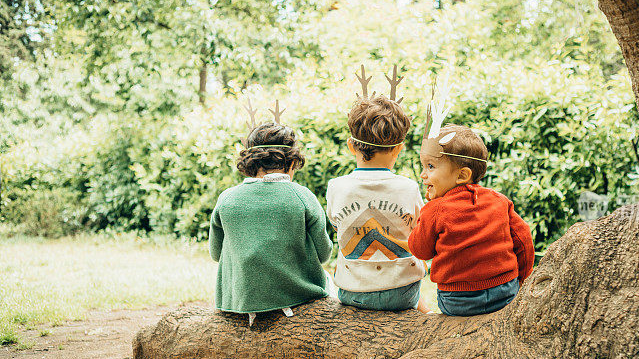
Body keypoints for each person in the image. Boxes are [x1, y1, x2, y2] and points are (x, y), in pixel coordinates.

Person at [210, 119, 333, 326]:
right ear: (292, 162)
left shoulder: (226, 198)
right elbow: (324, 254)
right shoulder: (302, 196)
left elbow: (215, 254)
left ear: (250, 162)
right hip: (296, 298)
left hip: (237, 301)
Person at [408, 124, 534, 316]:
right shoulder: (499, 200)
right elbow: (523, 240)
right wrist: (520, 279)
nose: (423, 174)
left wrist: (422, 219)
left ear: (462, 175)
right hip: (506, 292)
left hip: (458, 300)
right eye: (423, 166)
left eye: (430, 166)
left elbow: (420, 250)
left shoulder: (434, 209)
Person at [326, 94, 430, 312]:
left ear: (351, 146)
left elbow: (337, 225)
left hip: (352, 293)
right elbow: (419, 229)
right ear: (398, 149)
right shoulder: (408, 187)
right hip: (403, 293)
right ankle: (426, 312)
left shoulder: (336, 187)